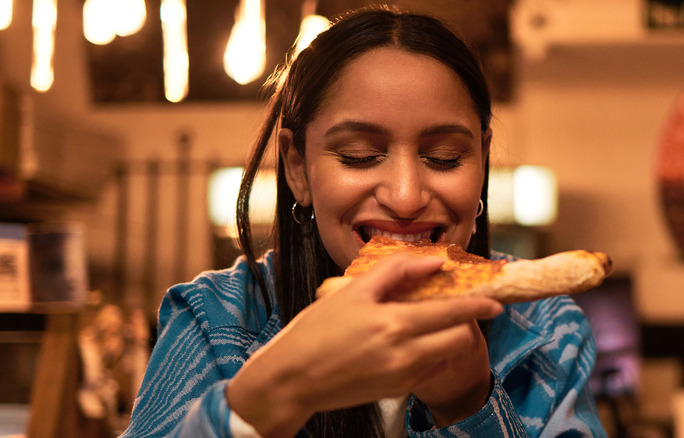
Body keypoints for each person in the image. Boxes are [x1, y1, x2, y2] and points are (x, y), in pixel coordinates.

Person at [121, 6, 606, 438]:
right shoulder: (213, 318)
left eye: (443, 157)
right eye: (361, 155)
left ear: (481, 160)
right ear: (297, 168)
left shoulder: (549, 330)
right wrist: (274, 393)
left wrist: (469, 403)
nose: (405, 196)